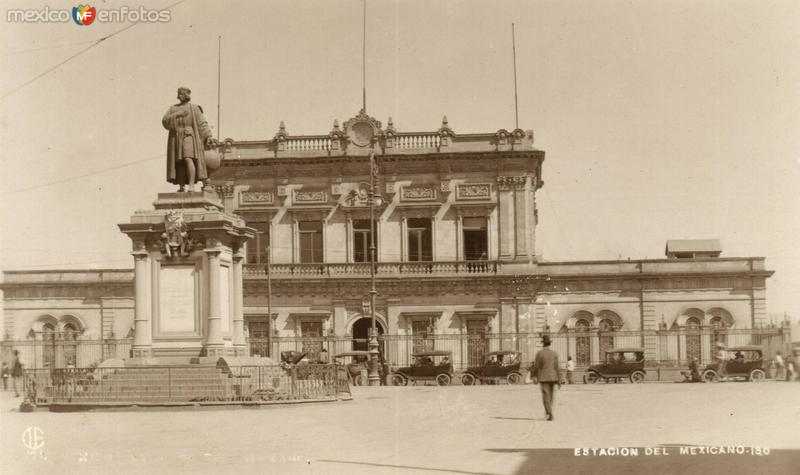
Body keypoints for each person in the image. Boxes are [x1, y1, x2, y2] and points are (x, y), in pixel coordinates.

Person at [162, 87, 217, 192]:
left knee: (188, 158)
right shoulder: (173, 108)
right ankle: (181, 186)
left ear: (186, 95)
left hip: (189, 136)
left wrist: (208, 135)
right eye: (179, 94)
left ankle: (191, 185)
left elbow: (202, 123)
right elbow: (165, 121)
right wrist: (177, 114)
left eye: (181, 94)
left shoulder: (194, 108)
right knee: (179, 161)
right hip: (176, 137)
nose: (179, 96)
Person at [531, 335, 561, 421]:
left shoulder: (539, 353)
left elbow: (536, 366)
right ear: (549, 344)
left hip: (543, 377)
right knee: (551, 396)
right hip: (553, 377)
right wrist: (559, 380)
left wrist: (534, 376)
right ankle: (549, 412)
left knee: (545, 396)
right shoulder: (554, 353)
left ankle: (549, 413)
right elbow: (557, 367)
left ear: (543, 344)